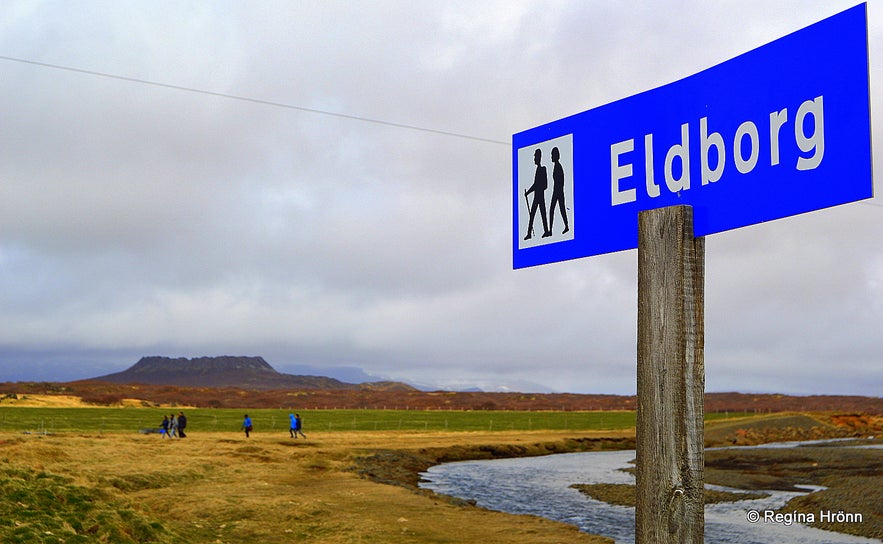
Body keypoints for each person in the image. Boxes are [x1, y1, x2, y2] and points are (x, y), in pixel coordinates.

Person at [524, 148, 551, 240]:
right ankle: (529, 234)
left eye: (535, 156)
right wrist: (528, 192)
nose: (534, 159)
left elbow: (545, 185)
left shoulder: (543, 169)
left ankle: (546, 231)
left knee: (543, 214)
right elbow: (535, 184)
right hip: (536, 196)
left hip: (540, 196)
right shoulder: (537, 170)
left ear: (539, 157)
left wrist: (537, 188)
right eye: (534, 157)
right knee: (532, 215)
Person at [549, 146, 569, 235]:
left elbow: (561, 181)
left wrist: (558, 191)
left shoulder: (558, 167)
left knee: (559, 209)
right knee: (557, 209)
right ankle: (551, 229)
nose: (551, 157)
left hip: (558, 191)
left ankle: (565, 226)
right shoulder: (556, 166)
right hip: (557, 191)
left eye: (552, 155)